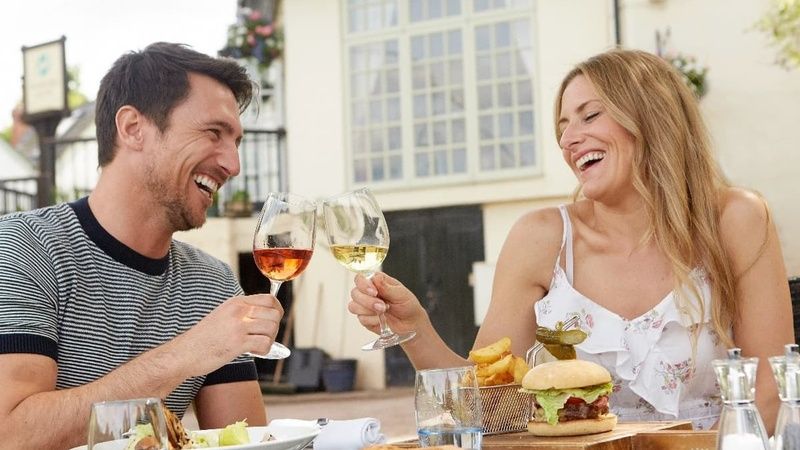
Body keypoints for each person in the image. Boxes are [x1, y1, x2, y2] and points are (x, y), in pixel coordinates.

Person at [349, 49, 793, 432]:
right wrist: (413, 328)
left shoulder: (736, 219)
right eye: (562, 126)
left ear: (652, 117)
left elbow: (770, 389)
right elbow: (488, 408)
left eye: (590, 115)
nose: (568, 139)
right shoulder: (541, 238)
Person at [0, 42, 283, 449]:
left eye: (235, 141)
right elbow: (10, 435)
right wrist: (191, 351)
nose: (232, 165)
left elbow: (249, 442)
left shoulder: (213, 284)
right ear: (133, 128)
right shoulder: (26, 247)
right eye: (213, 133)